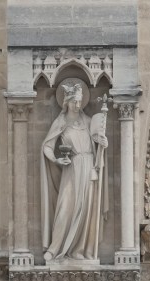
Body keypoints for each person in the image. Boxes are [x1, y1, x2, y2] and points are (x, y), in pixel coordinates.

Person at [41, 79, 107, 262]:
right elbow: (47, 146)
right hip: (71, 167)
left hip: (88, 168)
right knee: (65, 208)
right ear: (66, 102)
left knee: (86, 210)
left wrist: (103, 143)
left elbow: (97, 143)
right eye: (73, 101)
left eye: (79, 101)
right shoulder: (60, 122)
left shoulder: (88, 121)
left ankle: (80, 250)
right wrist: (56, 159)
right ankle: (55, 249)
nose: (77, 105)